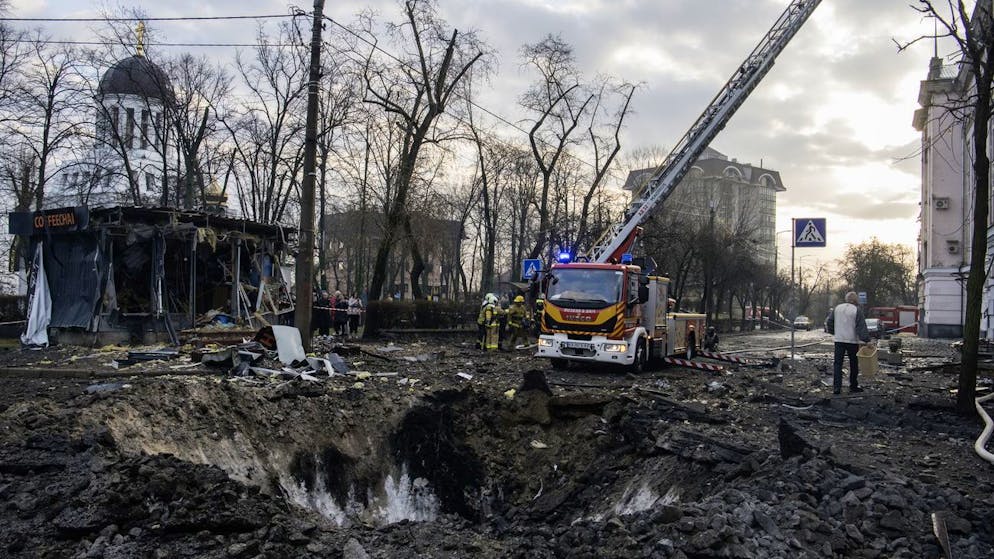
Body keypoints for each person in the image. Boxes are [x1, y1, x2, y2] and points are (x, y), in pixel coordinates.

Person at [826, 291, 872, 394]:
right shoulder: (856, 310)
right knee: (853, 363)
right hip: (852, 341)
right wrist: (867, 340)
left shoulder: (837, 308)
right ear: (855, 300)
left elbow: (829, 322)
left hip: (839, 340)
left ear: (846, 299)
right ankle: (853, 386)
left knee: (838, 364)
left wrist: (834, 332)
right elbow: (861, 327)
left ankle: (837, 387)